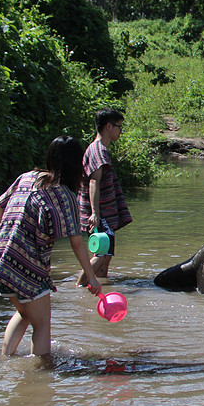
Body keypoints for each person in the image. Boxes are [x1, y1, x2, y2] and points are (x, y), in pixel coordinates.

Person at [0, 136, 102, 357]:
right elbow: (76, 242)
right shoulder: (64, 195)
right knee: (42, 325)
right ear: (76, 165)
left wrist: (5, 240)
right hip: (29, 266)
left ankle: (5, 363)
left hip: (0, 259)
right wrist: (92, 278)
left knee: (25, 313)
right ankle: (41, 377)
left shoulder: (27, 177)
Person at [78, 108, 132, 284]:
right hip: (100, 214)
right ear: (108, 126)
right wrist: (95, 213)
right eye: (118, 127)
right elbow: (94, 181)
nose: (120, 131)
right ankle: (78, 288)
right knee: (102, 254)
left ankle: (102, 284)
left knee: (105, 255)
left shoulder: (98, 149)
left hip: (103, 214)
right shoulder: (98, 150)